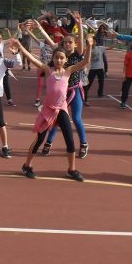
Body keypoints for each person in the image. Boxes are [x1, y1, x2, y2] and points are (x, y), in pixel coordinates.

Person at [14, 36, 93, 182]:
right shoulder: (48, 70)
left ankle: (72, 169)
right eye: (56, 57)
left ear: (65, 60)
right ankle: (27, 165)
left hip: (61, 110)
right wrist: (20, 45)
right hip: (48, 111)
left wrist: (89, 46)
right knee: (39, 140)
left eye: (62, 58)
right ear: (53, 58)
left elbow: (86, 61)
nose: (59, 60)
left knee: (70, 140)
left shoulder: (68, 71)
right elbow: (32, 58)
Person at [44, 12, 90, 159]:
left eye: (71, 42)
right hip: (62, 93)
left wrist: (79, 24)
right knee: (58, 119)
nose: (68, 44)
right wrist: (39, 27)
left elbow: (82, 43)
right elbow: (51, 43)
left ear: (75, 44)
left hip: (75, 90)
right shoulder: (61, 57)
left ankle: (83, 144)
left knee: (76, 118)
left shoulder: (77, 54)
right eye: (66, 42)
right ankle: (48, 142)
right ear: (62, 45)